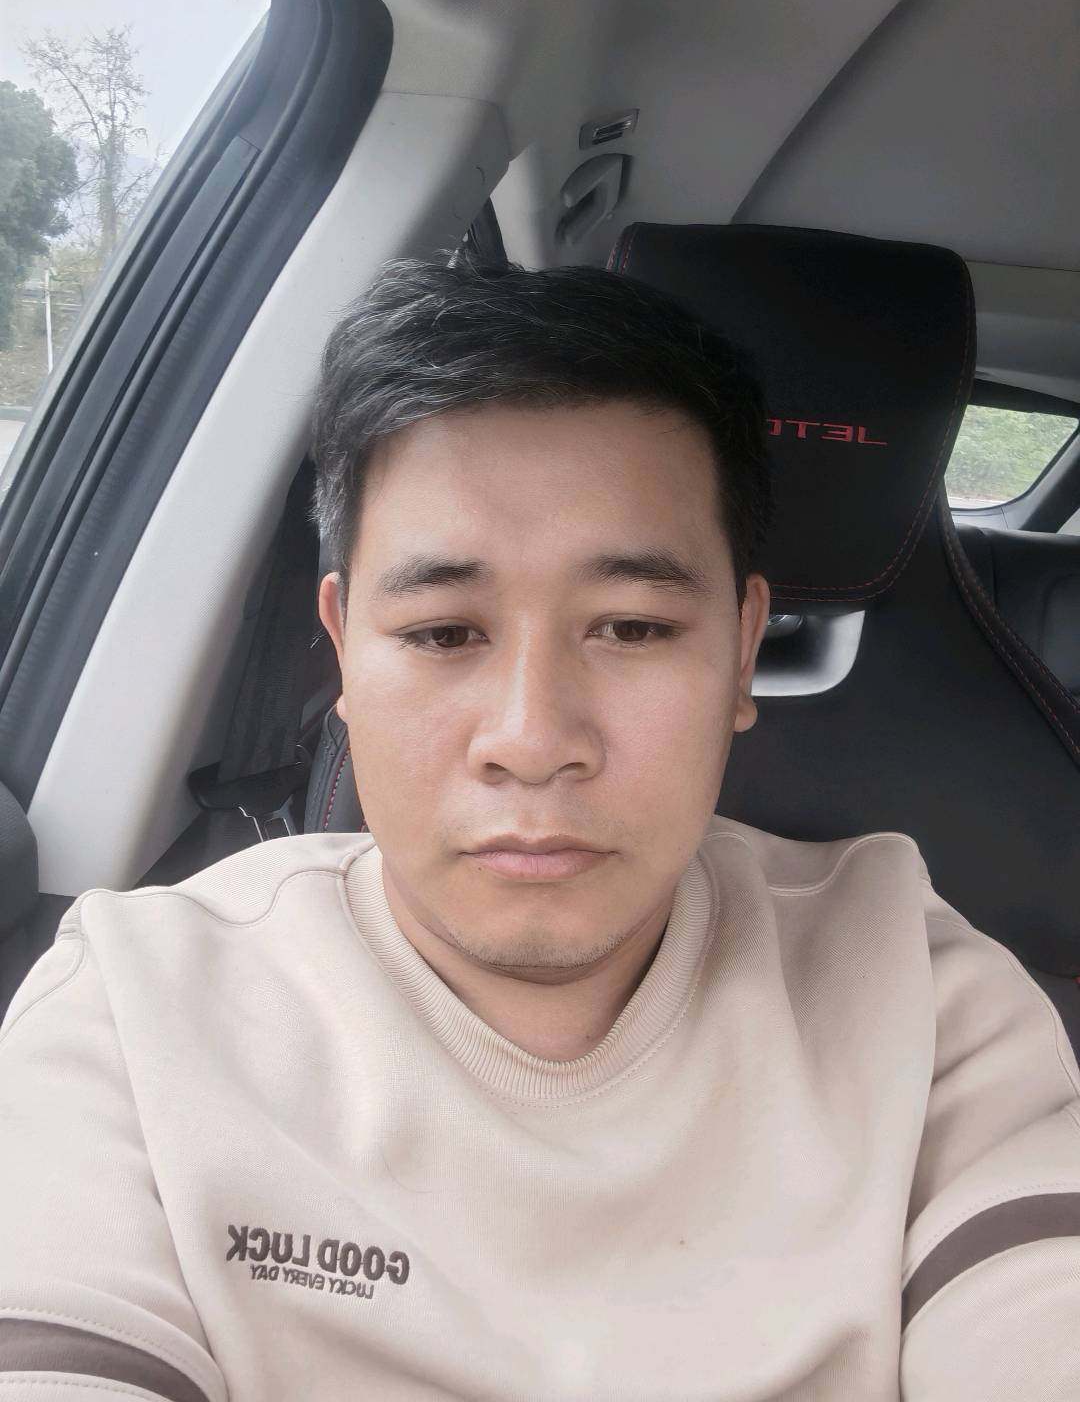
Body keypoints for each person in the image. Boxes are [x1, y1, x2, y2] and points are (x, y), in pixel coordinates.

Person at [1, 252, 1078, 1402]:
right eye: (442, 633)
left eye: (632, 627)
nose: (531, 738)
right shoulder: (139, 1009)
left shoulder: (925, 1001)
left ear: (741, 648)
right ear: (344, 650)